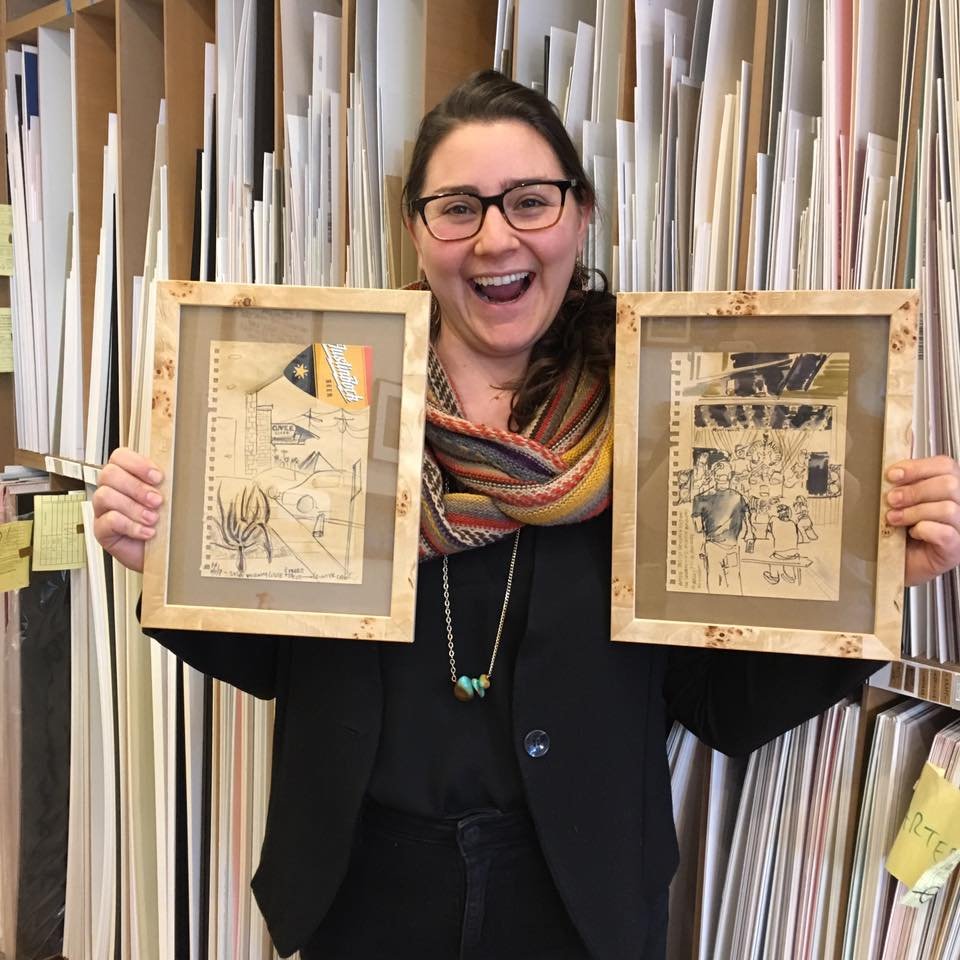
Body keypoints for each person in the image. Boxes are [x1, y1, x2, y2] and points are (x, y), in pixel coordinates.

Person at [91, 71, 960, 960]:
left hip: (579, 897)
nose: (495, 237)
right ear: (417, 231)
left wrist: (872, 584)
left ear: (580, 216)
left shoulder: (662, 412)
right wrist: (159, 547)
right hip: (359, 887)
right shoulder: (339, 398)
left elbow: (718, 706)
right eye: (458, 207)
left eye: (529, 201)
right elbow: (286, 655)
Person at [691, 460, 756, 595]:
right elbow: (747, 517)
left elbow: (697, 528)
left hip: (713, 546)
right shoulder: (739, 497)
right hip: (732, 545)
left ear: (713, 475)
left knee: (714, 582)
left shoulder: (700, 499)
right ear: (730, 476)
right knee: (733, 582)